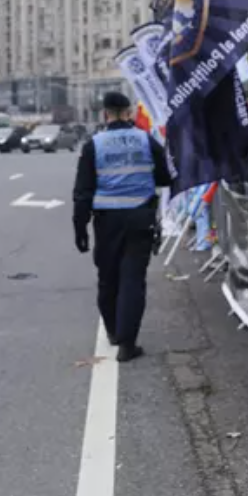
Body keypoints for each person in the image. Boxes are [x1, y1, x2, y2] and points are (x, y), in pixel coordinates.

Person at [72, 91, 171, 363]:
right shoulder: (145, 140)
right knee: (132, 280)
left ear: (106, 114)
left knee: (108, 278)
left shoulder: (95, 144)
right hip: (140, 217)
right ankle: (128, 344)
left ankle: (114, 332)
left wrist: (80, 228)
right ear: (128, 112)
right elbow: (164, 176)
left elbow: (82, 191)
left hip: (107, 221)